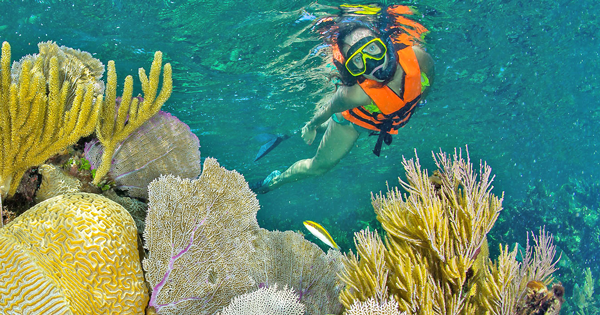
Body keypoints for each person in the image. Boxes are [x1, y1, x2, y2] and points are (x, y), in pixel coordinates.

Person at [251, 4, 434, 194]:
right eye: (358, 60)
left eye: (373, 48)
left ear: (385, 44)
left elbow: (429, 78)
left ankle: (290, 133)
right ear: (353, 70)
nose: (373, 64)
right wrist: (311, 126)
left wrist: (417, 105)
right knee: (319, 167)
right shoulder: (357, 94)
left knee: (324, 126)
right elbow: (330, 108)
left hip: (379, 118)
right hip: (352, 122)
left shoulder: (417, 56)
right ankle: (271, 183)